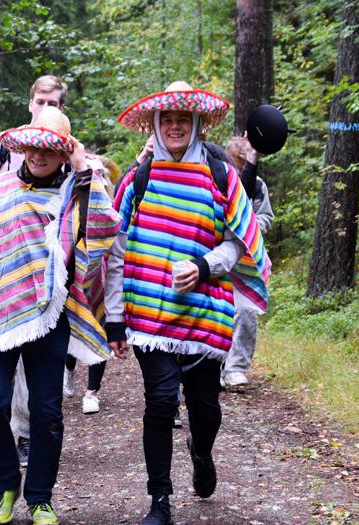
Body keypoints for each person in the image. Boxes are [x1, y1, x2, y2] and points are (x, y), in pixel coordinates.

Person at [0, 107, 120, 525]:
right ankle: (7, 482)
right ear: (21, 147)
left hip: (50, 315)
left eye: (52, 149)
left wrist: (81, 168)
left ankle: (40, 496)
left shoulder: (76, 194)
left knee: (47, 411)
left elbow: (103, 232)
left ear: (63, 153)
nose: (39, 156)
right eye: (33, 146)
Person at [106, 81, 271, 525]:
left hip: (205, 313)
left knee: (206, 409)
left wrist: (203, 265)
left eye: (184, 119)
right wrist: (115, 319)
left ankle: (202, 451)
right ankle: (160, 500)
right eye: (168, 119)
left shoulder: (222, 176)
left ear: (196, 123)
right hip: (150, 316)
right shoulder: (138, 179)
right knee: (160, 400)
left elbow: (240, 243)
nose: (175, 126)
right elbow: (116, 251)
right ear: (157, 125)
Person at [0, 75, 68, 465]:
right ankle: (5, 439)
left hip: (44, 290)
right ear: (31, 103)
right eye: (42, 100)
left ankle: (27, 434)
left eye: (55, 102)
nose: (48, 106)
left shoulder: (71, 169)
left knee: (38, 384)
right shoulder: (1, 146)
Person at [62, 155, 121, 414]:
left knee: (102, 328)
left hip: (102, 279)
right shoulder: (69, 204)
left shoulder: (111, 210)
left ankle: (92, 392)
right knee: (70, 328)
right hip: (73, 278)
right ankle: (69, 369)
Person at [222, 136, 274, 388]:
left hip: (247, 261)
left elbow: (266, 216)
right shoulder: (218, 182)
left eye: (241, 165)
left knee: (245, 311)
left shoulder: (259, 186)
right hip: (218, 258)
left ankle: (236, 367)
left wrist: (252, 226)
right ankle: (215, 364)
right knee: (218, 311)